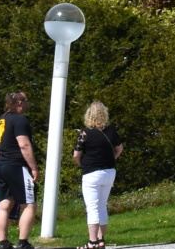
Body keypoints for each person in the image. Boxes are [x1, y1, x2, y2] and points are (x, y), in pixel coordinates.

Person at [72, 101, 123, 249]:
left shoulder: (85, 133)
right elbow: (119, 148)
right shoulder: (111, 130)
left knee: (92, 207)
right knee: (102, 205)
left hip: (91, 173)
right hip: (109, 172)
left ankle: (92, 241)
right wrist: (111, 158)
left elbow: (76, 154)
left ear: (89, 114)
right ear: (104, 114)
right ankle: (101, 240)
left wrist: (82, 164)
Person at [0, 90, 37, 249]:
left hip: (1, 165)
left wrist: (3, 160)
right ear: (19, 103)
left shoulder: (1, 120)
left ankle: (3, 242)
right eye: (26, 100)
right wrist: (33, 167)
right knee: (29, 203)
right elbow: (24, 144)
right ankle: (23, 242)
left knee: (4, 204)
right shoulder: (20, 120)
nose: (27, 103)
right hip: (17, 165)